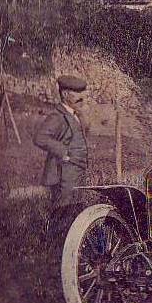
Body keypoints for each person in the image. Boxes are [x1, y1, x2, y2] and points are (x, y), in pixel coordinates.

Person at [34, 75, 89, 208]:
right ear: (65, 94)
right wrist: (63, 152)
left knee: (75, 211)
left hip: (76, 173)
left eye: (82, 93)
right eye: (77, 93)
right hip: (63, 174)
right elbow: (40, 138)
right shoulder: (57, 116)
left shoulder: (75, 114)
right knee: (63, 212)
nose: (81, 97)